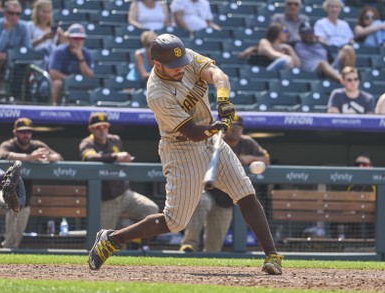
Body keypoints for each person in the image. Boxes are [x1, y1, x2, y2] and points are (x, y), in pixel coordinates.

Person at [87, 34, 283, 275]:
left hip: (211, 139)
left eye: (181, 64)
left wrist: (223, 101)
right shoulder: (156, 93)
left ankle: (272, 256)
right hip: (181, 147)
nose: (180, 69)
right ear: (156, 64)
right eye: (173, 67)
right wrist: (215, 127)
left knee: (245, 193)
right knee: (175, 221)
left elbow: (218, 75)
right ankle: (113, 239)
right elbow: (192, 132)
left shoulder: (183, 57)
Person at [180, 115, 271, 252]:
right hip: (209, 190)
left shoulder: (248, 143)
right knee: (202, 201)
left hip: (228, 197)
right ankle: (189, 244)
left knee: (214, 245)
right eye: (231, 126)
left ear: (242, 129)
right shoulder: (215, 141)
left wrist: (249, 158)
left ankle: (210, 257)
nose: (234, 130)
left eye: (237, 127)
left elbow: (266, 160)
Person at [79, 112, 159, 246]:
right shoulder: (87, 143)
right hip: (107, 200)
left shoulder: (115, 140)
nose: (102, 130)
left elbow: (122, 161)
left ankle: (135, 238)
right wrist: (115, 156)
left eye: (105, 126)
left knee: (152, 210)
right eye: (98, 127)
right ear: (91, 129)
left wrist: (125, 159)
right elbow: (89, 157)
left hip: (125, 194)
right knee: (103, 240)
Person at [0, 117, 63, 248]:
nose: (26, 134)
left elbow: (59, 157)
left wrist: (47, 156)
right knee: (11, 205)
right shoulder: (9, 144)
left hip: (23, 198)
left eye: (28, 131)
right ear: (15, 132)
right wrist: (28, 157)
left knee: (17, 234)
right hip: (1, 194)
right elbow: (2, 154)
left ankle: (8, 249)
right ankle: (7, 247)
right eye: (22, 131)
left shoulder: (36, 145)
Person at [0, 0, 31, 99]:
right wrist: (6, 32)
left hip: (16, 57)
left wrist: (10, 55)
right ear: (5, 13)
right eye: (11, 13)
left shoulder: (24, 27)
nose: (14, 16)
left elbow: (27, 49)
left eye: (17, 14)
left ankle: (21, 95)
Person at [48, 23, 94, 105]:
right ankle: (54, 108)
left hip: (81, 83)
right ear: (69, 39)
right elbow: (53, 73)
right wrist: (70, 80)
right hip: (64, 81)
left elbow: (90, 75)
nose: (78, 41)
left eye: (81, 38)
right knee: (57, 83)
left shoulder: (87, 53)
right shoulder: (59, 51)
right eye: (75, 38)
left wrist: (80, 58)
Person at [313, 0, 356, 69]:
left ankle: (348, 75)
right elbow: (320, 40)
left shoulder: (344, 24)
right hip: (329, 53)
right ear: (327, 8)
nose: (334, 9)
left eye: (337, 7)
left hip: (344, 50)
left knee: (349, 50)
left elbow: (351, 39)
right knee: (348, 50)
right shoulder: (320, 23)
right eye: (332, 7)